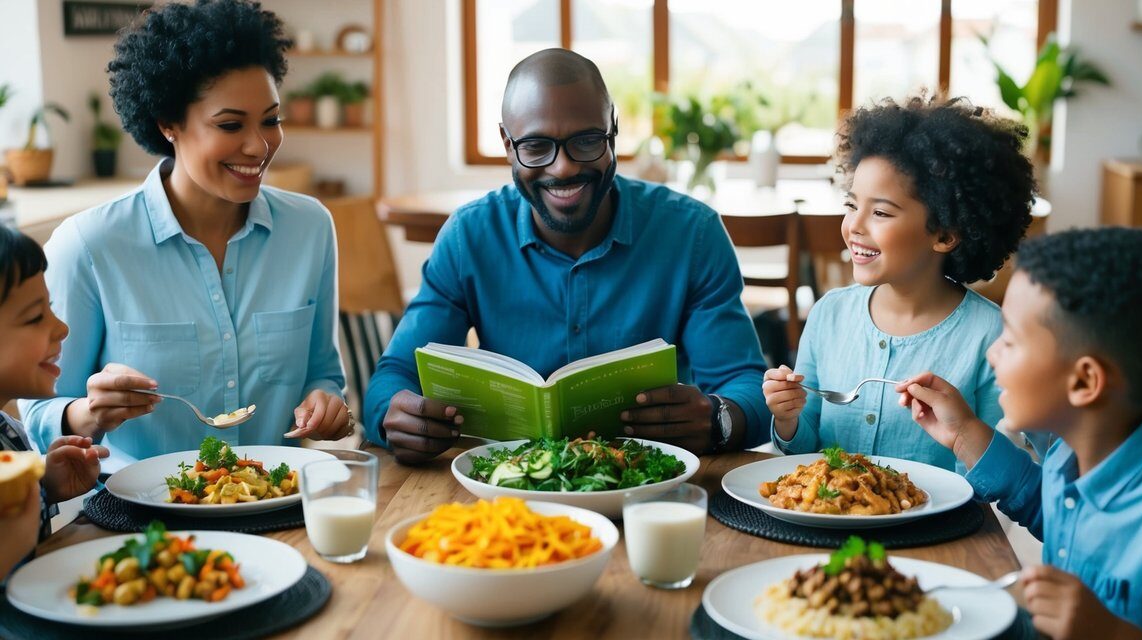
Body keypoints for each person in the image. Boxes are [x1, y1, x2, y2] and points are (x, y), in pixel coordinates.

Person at [364, 48, 769, 464]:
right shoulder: (469, 236)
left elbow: (745, 384)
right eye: (536, 147)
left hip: (648, 485)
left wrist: (718, 419)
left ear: (613, 130)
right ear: (507, 143)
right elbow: (394, 375)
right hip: (508, 491)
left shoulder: (691, 234)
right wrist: (395, 416)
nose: (562, 168)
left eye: (587, 141)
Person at [20, 0, 351, 470]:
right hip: (137, 519)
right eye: (230, 124)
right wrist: (87, 413)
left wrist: (325, 402)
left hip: (277, 500)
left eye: (271, 120)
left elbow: (322, 372)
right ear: (167, 123)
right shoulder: (90, 245)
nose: (259, 145)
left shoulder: (310, 228)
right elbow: (35, 413)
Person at [897, 228, 1142, 639]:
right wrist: (965, 436)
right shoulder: (1072, 448)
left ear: (1084, 382)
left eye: (1009, 340)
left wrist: (1111, 633)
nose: (993, 353)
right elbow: (1050, 508)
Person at [761, 96, 1036, 471]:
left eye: (880, 212)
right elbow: (807, 450)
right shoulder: (829, 315)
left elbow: (989, 471)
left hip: (941, 526)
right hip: (827, 522)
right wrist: (788, 417)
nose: (855, 226)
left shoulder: (990, 337)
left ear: (944, 234)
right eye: (851, 205)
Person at [0, 226, 108, 580]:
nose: (62, 328)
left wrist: (45, 484)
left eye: (51, 308)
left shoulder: (7, 431)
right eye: (35, 317)